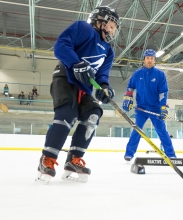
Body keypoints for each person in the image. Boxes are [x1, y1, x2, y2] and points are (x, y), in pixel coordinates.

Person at [35, 6, 120, 184]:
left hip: (85, 88)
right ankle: (47, 159)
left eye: (114, 28)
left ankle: (73, 160)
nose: (113, 30)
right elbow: (61, 45)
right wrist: (76, 63)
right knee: (67, 114)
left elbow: (102, 75)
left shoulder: (108, 50)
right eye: (111, 25)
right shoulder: (84, 28)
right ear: (100, 20)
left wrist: (104, 87)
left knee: (93, 114)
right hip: (65, 77)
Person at [122, 49, 176, 161]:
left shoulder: (160, 75)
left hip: (155, 108)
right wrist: (128, 97)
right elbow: (130, 87)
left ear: (155, 60)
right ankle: (129, 153)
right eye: (148, 58)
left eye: (152, 58)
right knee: (137, 130)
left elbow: (163, 93)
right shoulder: (137, 74)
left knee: (162, 131)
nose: (149, 60)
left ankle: (171, 154)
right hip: (141, 108)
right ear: (144, 60)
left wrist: (163, 107)